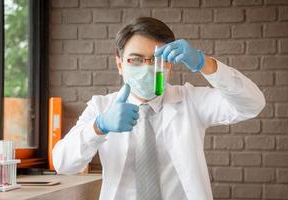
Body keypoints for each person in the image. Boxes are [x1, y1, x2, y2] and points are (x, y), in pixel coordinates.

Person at [52, 17, 265, 200]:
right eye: (135, 60)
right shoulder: (101, 107)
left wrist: (204, 62)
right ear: (120, 65)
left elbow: (252, 104)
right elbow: (63, 164)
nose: (146, 68)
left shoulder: (191, 101)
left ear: (169, 64)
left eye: (156, 60)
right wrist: (99, 126)